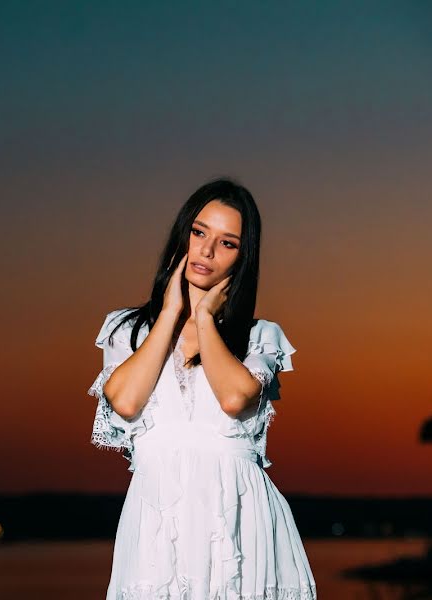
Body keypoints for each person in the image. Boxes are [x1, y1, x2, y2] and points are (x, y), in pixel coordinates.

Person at [88, 178, 317, 599]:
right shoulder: (128, 329)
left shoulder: (260, 337)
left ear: (243, 257)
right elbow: (124, 400)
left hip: (238, 528)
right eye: (199, 233)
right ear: (183, 236)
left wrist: (206, 318)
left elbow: (233, 398)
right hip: (157, 530)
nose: (208, 251)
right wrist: (172, 310)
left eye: (227, 243)